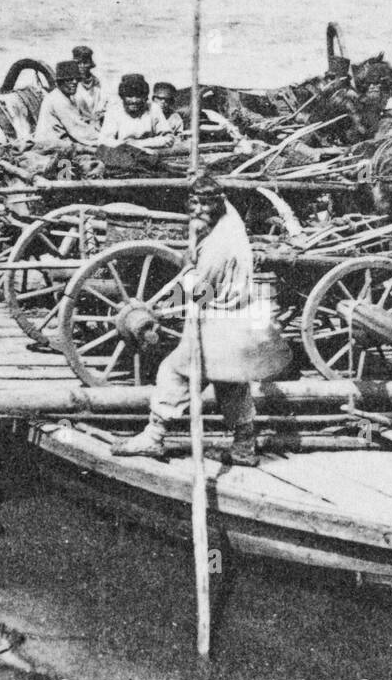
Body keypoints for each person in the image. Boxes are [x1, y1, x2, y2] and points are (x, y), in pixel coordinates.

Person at [111, 177, 288, 467]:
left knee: (175, 371)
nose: (199, 210)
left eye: (205, 204)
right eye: (194, 203)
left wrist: (186, 270)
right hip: (239, 320)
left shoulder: (219, 247)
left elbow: (197, 294)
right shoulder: (228, 217)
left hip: (217, 321)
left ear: (218, 203)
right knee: (231, 381)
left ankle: (154, 437)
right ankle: (244, 446)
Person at [34, 60, 101, 149]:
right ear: (59, 82)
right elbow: (78, 130)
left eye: (77, 79)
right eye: (69, 80)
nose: (74, 82)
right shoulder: (58, 100)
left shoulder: (65, 96)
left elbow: (83, 120)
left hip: (58, 141)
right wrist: (103, 139)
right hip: (50, 145)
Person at [98, 74, 175, 150]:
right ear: (122, 97)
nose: (134, 100)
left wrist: (138, 143)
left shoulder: (154, 109)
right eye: (129, 96)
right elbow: (104, 141)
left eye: (138, 96)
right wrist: (125, 145)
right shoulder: (114, 111)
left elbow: (169, 138)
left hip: (149, 152)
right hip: (122, 154)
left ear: (145, 96)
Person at [71, 45, 107, 127]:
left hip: (97, 121)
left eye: (85, 63)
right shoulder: (71, 84)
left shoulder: (97, 82)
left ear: (90, 64)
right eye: (78, 63)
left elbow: (103, 103)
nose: (82, 66)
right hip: (78, 123)